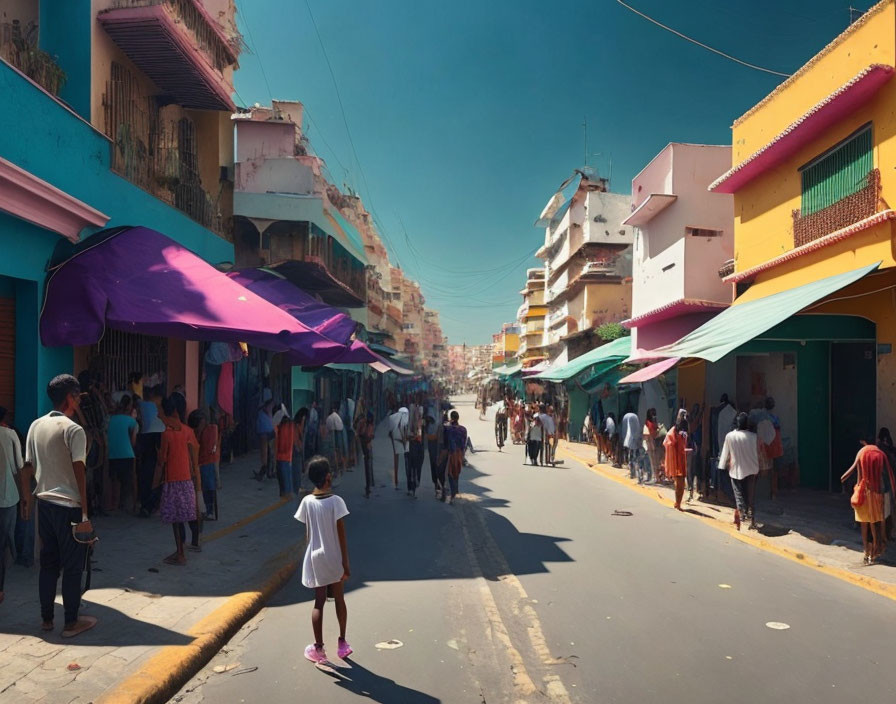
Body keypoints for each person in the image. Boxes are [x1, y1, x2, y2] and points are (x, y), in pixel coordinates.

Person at [19, 375, 97, 637]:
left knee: (49, 563)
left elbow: (27, 468)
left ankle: (46, 620)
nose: (78, 401)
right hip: (69, 506)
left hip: (45, 503)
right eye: (77, 396)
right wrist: (85, 514)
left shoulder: (35, 426)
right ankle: (72, 622)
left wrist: (27, 500)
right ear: (70, 398)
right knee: (74, 566)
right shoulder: (74, 430)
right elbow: (79, 473)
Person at [295, 456, 351, 664]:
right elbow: (341, 535)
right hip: (334, 558)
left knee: (318, 603)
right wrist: (345, 563)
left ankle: (318, 648)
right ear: (328, 477)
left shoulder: (307, 502)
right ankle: (343, 643)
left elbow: (307, 532)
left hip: (315, 558)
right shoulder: (336, 502)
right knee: (339, 599)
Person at [153, 396, 201, 564]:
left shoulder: (166, 434)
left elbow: (162, 460)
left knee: (175, 520)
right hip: (187, 480)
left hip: (172, 480)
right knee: (185, 516)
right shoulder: (188, 431)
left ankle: (180, 553)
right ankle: (185, 548)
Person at [842, 435, 896, 564]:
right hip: (880, 494)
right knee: (877, 522)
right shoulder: (881, 454)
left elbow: (855, 473)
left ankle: (866, 551)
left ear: (863, 442)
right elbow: (888, 476)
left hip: (865, 494)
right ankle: (876, 551)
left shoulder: (862, 452)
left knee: (864, 524)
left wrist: (843, 479)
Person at [718, 412, 760, 531]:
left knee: (738, 492)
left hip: (736, 469)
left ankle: (742, 512)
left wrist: (721, 466)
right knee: (751, 494)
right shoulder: (753, 436)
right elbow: (758, 453)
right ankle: (751, 518)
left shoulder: (730, 436)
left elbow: (725, 453)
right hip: (752, 468)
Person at [0, 406, 23, 604]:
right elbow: (19, 465)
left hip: (8, 496)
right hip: (7, 495)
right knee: (4, 539)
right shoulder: (10, 434)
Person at [106, 394, 138, 514]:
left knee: (114, 480)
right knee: (131, 479)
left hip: (112, 454)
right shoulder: (131, 421)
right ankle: (134, 505)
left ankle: (113, 504)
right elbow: (133, 441)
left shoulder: (111, 419)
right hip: (127, 453)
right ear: (129, 407)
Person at [136, 385, 165, 517]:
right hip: (159, 434)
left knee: (146, 470)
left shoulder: (140, 403)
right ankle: (153, 503)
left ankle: (147, 503)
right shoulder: (159, 404)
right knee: (157, 469)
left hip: (146, 436)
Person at [188, 410, 219, 519]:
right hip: (196, 460)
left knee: (207, 482)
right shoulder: (193, 432)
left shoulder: (211, 430)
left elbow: (207, 449)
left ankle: (209, 509)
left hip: (206, 460)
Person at [664, 410, 690, 510]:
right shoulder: (673, 431)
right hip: (676, 460)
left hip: (682, 460)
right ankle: (677, 503)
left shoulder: (685, 429)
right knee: (679, 483)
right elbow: (667, 442)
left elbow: (685, 443)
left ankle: (678, 502)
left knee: (682, 483)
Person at [444, 411, 467, 504]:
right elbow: (464, 442)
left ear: (451, 418)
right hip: (460, 453)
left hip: (452, 453)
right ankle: (456, 490)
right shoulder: (463, 429)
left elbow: (446, 442)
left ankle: (453, 493)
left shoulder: (449, 429)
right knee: (457, 472)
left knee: (450, 473)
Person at [877, 427, 896, 541]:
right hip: (891, 482)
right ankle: (890, 533)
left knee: (883, 511)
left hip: (883, 483)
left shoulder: (879, 450)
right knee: (890, 509)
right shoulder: (891, 449)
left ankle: (883, 535)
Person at [275, 408, 296, 498]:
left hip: (282, 455)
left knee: (284, 476)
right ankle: (287, 493)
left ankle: (286, 493)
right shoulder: (290, 424)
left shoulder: (284, 426)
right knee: (286, 475)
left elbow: (282, 442)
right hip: (286, 455)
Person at [388, 406, 409, 490]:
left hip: (396, 441)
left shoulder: (393, 419)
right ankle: (405, 481)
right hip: (403, 442)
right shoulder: (405, 419)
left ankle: (396, 481)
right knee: (406, 462)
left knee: (396, 462)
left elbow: (390, 433)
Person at [255, 393, 275, 482]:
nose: (271, 407)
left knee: (270, 454)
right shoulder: (262, 414)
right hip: (264, 435)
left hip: (270, 435)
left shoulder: (268, 414)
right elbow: (263, 426)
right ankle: (264, 472)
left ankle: (267, 472)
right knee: (265, 455)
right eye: (270, 406)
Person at [358, 411, 376, 498]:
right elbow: (371, 435)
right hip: (367, 446)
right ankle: (369, 486)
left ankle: (369, 486)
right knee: (368, 465)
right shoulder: (367, 424)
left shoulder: (364, 423)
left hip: (365, 445)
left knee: (368, 466)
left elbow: (359, 433)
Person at [644, 408, 663, 484]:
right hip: (652, 444)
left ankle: (656, 477)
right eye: (652, 413)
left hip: (655, 444)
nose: (654, 415)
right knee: (654, 462)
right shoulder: (649, 423)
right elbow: (650, 434)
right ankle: (656, 477)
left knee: (656, 462)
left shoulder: (651, 422)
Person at [621, 408, 641, 480]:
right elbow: (637, 430)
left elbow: (624, 430)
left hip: (629, 441)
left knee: (632, 457)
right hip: (634, 441)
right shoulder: (635, 418)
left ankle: (633, 473)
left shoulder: (626, 418)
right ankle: (636, 473)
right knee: (636, 458)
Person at [325, 405, 346, 476]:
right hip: (338, 434)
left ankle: (338, 468)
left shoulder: (331, 417)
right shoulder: (336, 417)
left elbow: (329, 429)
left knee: (335, 451)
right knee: (338, 451)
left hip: (335, 435)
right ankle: (341, 468)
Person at [293, 408, 309, 495]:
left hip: (297, 447)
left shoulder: (296, 424)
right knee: (297, 468)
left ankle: (298, 486)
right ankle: (297, 487)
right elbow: (298, 437)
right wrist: (299, 447)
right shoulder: (297, 426)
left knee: (298, 468)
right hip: (297, 448)